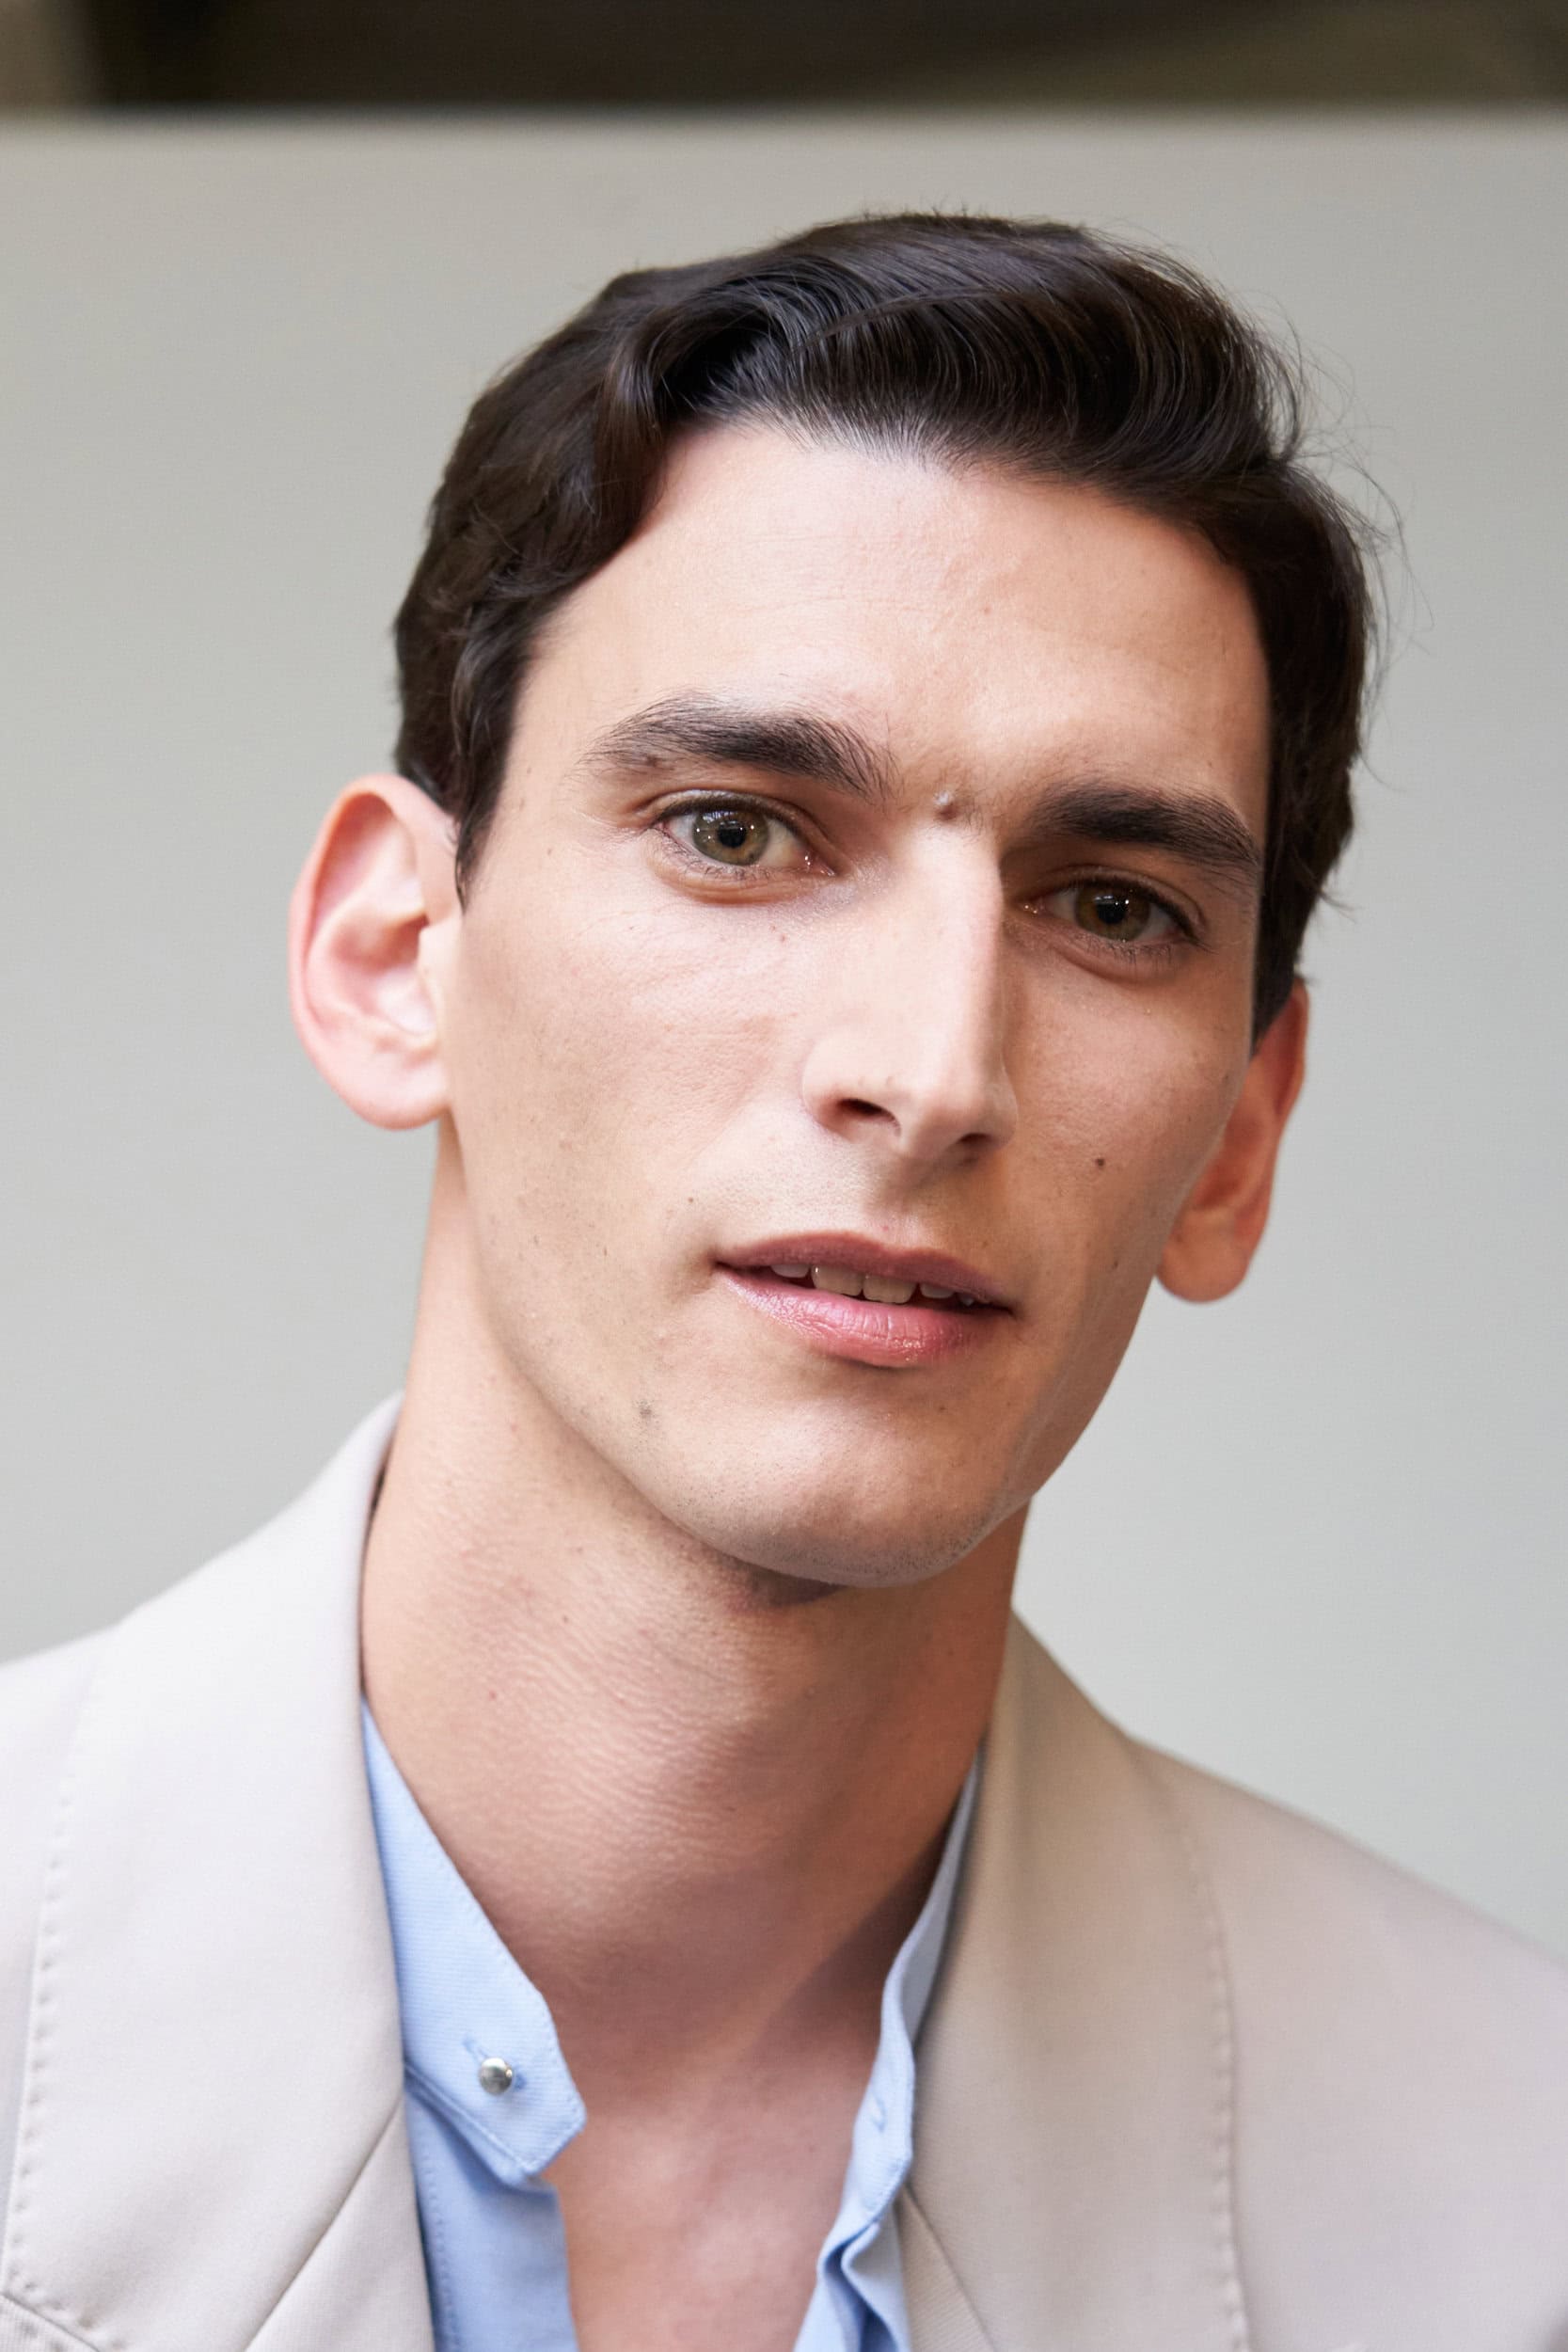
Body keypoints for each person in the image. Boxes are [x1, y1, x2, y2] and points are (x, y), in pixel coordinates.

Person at [0, 211, 1563, 2352]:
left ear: (1240, 1137)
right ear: (393, 958)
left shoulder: (1520, 2203)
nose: (931, 1071)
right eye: (736, 829)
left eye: (1112, 905)